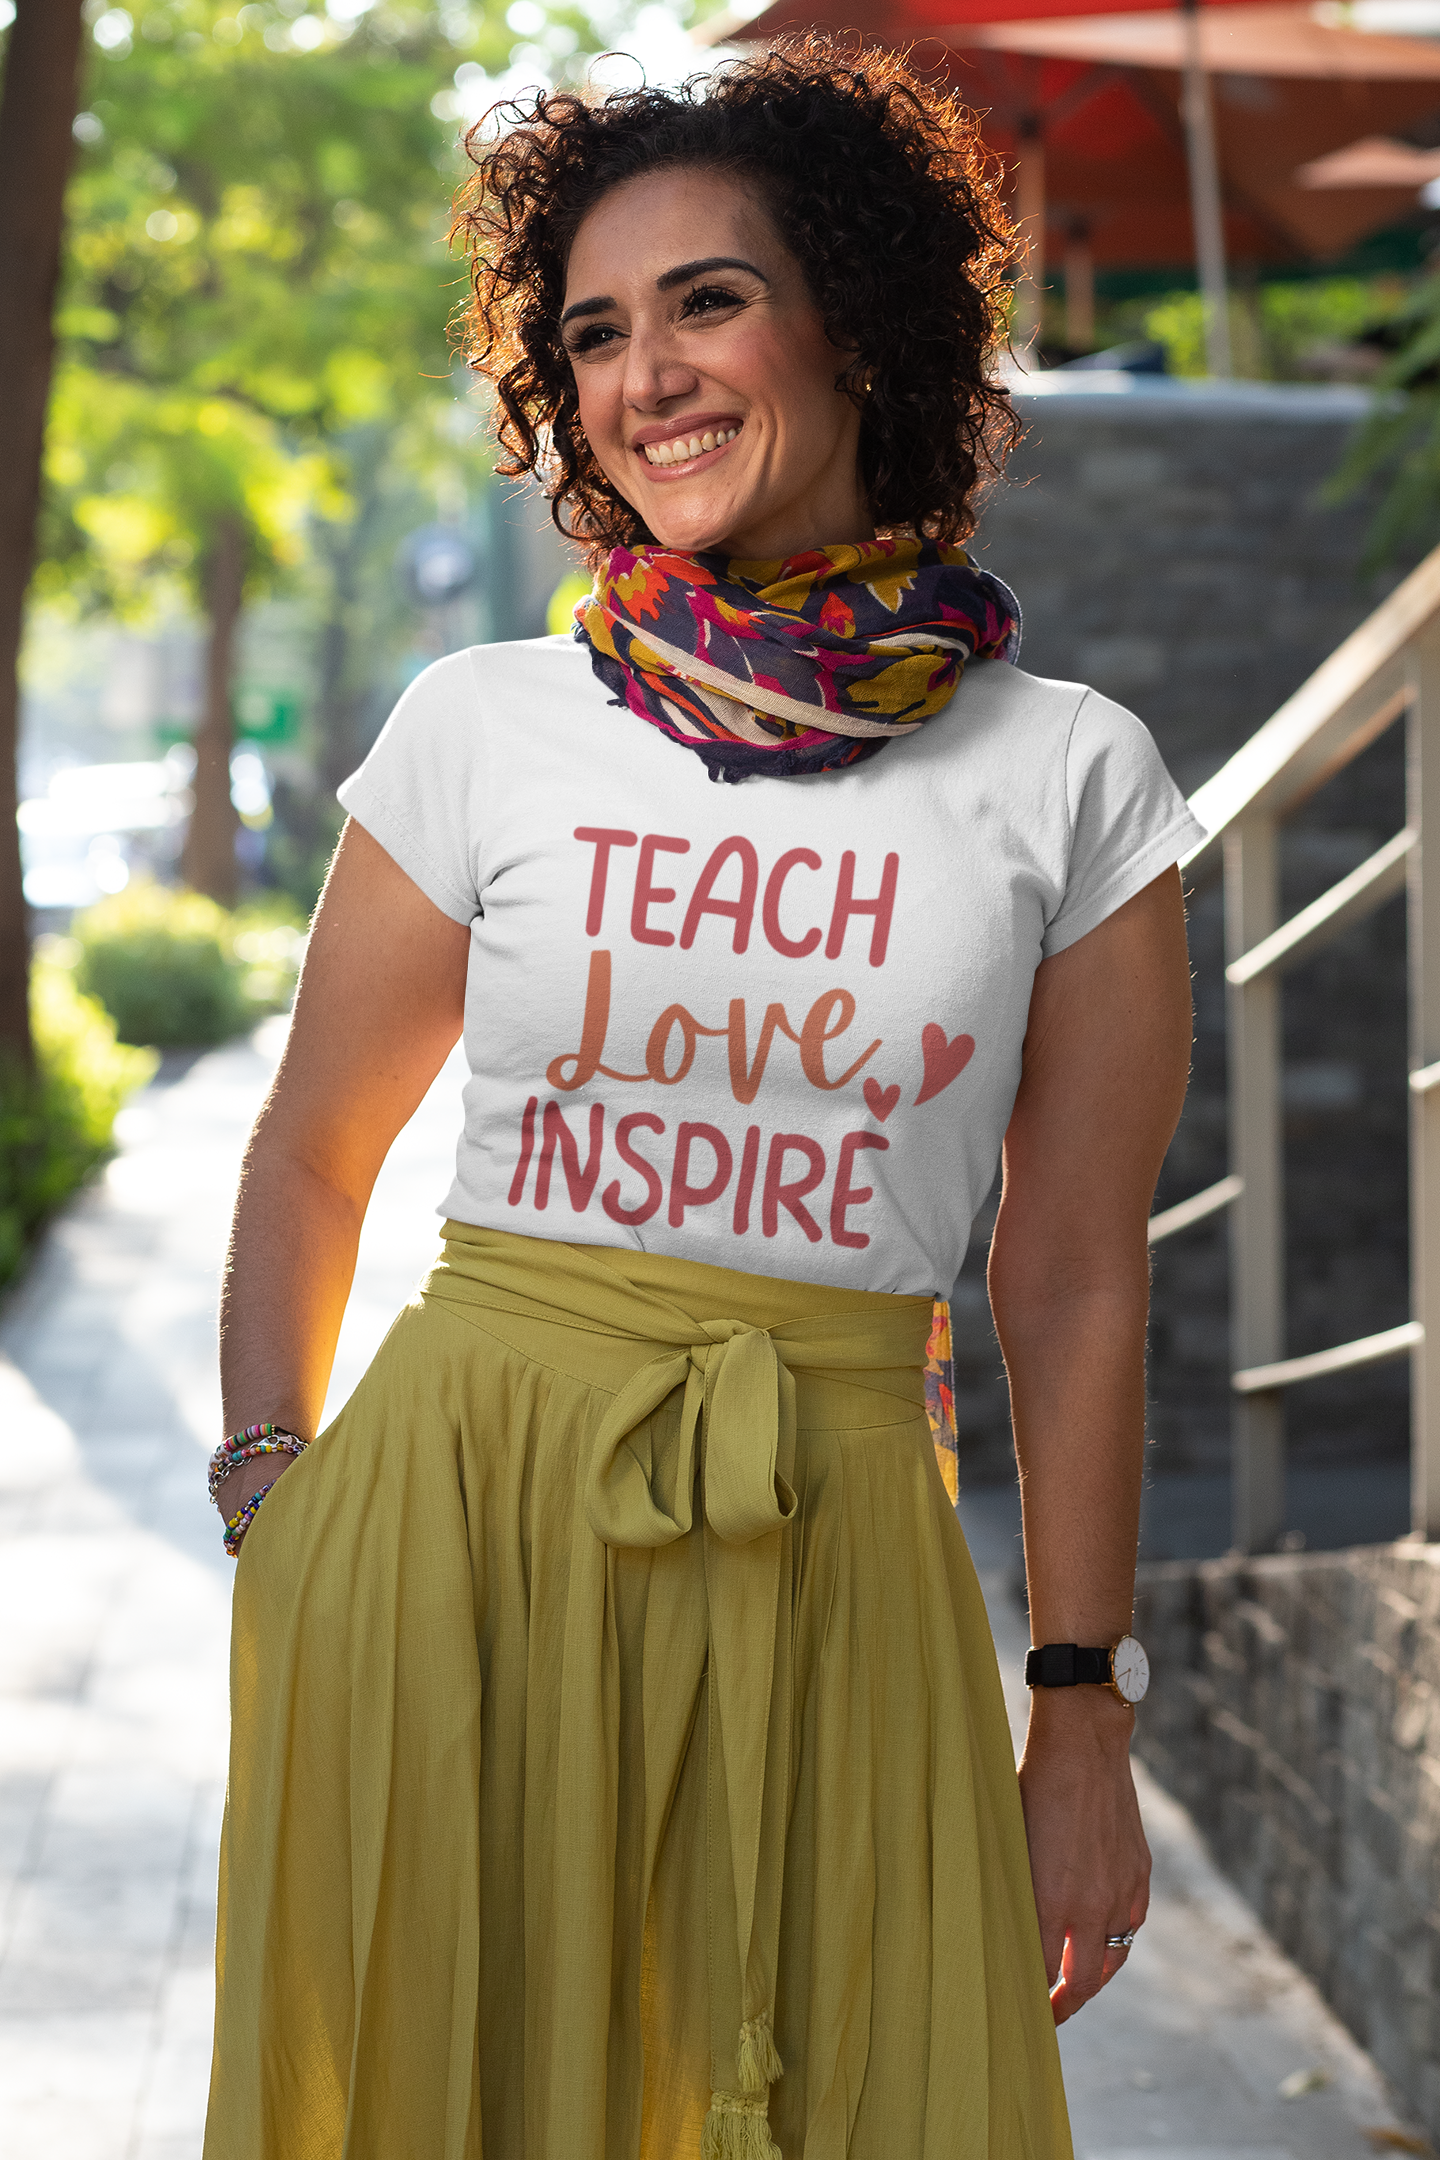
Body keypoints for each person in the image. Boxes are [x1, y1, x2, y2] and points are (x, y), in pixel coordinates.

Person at [203, 39, 1201, 2160]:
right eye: (592, 331)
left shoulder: (1071, 776)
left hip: (837, 1546)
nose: (642, 371)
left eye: (707, 299)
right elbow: (312, 1148)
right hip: (450, 1552)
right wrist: (276, 1504)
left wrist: (1083, 1715)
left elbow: (1079, 1281)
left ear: (852, 314)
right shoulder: (484, 723)